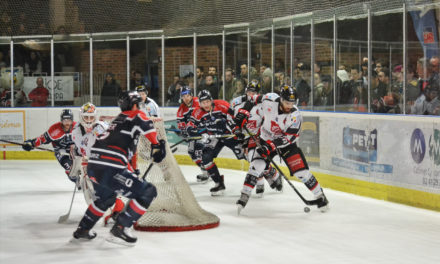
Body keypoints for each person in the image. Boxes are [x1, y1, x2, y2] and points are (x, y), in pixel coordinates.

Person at [72, 91, 166, 245]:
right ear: (135, 105)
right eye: (139, 105)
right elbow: (147, 124)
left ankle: (83, 229)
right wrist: (157, 145)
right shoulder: (136, 115)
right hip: (110, 168)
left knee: (106, 199)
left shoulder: (117, 120)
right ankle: (121, 227)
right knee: (148, 192)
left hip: (93, 166)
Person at [233, 85, 329, 212]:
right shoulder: (270, 99)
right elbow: (252, 99)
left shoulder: (295, 116)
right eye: (286, 102)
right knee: (256, 166)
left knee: (301, 172)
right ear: (281, 99)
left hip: (286, 145)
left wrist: (271, 146)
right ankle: (244, 196)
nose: (289, 105)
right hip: (265, 138)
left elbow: (290, 137)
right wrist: (244, 111)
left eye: (292, 103)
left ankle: (320, 196)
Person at [230, 80, 282, 200]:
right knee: (251, 160)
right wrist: (235, 129)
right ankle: (273, 174)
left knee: (255, 159)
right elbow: (230, 119)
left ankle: (261, 184)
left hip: (258, 136)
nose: (251, 94)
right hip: (244, 137)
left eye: (254, 92)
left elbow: (268, 121)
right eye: (249, 91)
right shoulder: (238, 103)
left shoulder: (262, 106)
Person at [187, 90, 245, 196]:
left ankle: (271, 173)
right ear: (200, 103)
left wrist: (237, 130)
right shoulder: (197, 112)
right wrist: (194, 131)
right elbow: (190, 125)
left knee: (246, 154)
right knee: (206, 158)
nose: (206, 104)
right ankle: (219, 183)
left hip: (229, 135)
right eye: (203, 102)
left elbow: (235, 118)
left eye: (208, 102)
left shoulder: (222, 105)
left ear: (211, 101)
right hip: (214, 137)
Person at [22, 109, 77, 182]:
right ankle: (74, 178)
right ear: (61, 120)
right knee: (70, 169)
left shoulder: (77, 127)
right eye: (65, 120)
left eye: (69, 120)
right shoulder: (55, 129)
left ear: (72, 120)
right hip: (61, 152)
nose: (67, 123)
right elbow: (42, 139)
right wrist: (31, 143)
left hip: (75, 150)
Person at [176, 86, 209, 182]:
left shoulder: (198, 102)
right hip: (193, 132)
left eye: (188, 95)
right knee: (191, 152)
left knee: (201, 150)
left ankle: (208, 172)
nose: (186, 98)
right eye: (183, 96)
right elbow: (181, 123)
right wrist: (184, 132)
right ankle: (205, 171)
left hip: (204, 131)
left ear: (191, 95)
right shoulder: (181, 109)